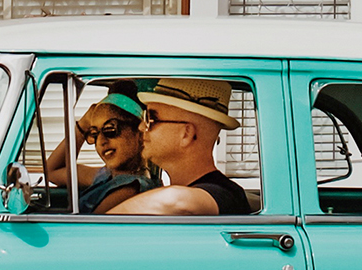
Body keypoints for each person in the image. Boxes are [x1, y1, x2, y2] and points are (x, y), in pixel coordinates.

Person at [109, 78, 257, 217]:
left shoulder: (225, 194)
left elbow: (175, 201)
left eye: (151, 118)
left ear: (186, 134)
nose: (141, 127)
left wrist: (97, 225)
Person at [34, 83, 161, 215]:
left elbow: (88, 231)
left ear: (139, 132)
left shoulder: (128, 190)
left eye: (110, 130)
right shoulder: (108, 175)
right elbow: (52, 171)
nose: (100, 142)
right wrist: (83, 124)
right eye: (94, 134)